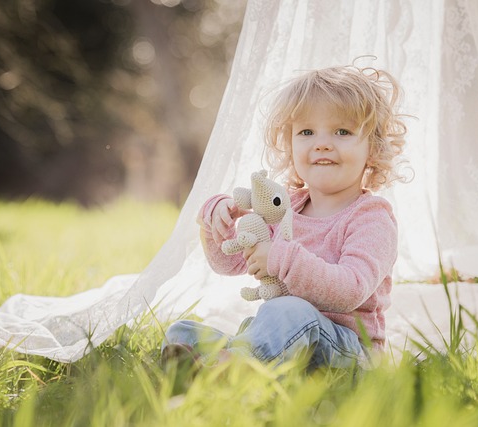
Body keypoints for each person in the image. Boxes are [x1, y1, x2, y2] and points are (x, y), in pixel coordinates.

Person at [162, 62, 408, 371]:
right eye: (306, 131)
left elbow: (350, 289)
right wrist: (216, 226)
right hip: (290, 338)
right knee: (183, 331)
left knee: (288, 312)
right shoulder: (285, 207)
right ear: (289, 145)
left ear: (372, 148)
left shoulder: (372, 218)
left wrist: (280, 257)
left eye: (342, 131)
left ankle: (230, 370)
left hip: (349, 351)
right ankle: (211, 367)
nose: (322, 143)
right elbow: (230, 263)